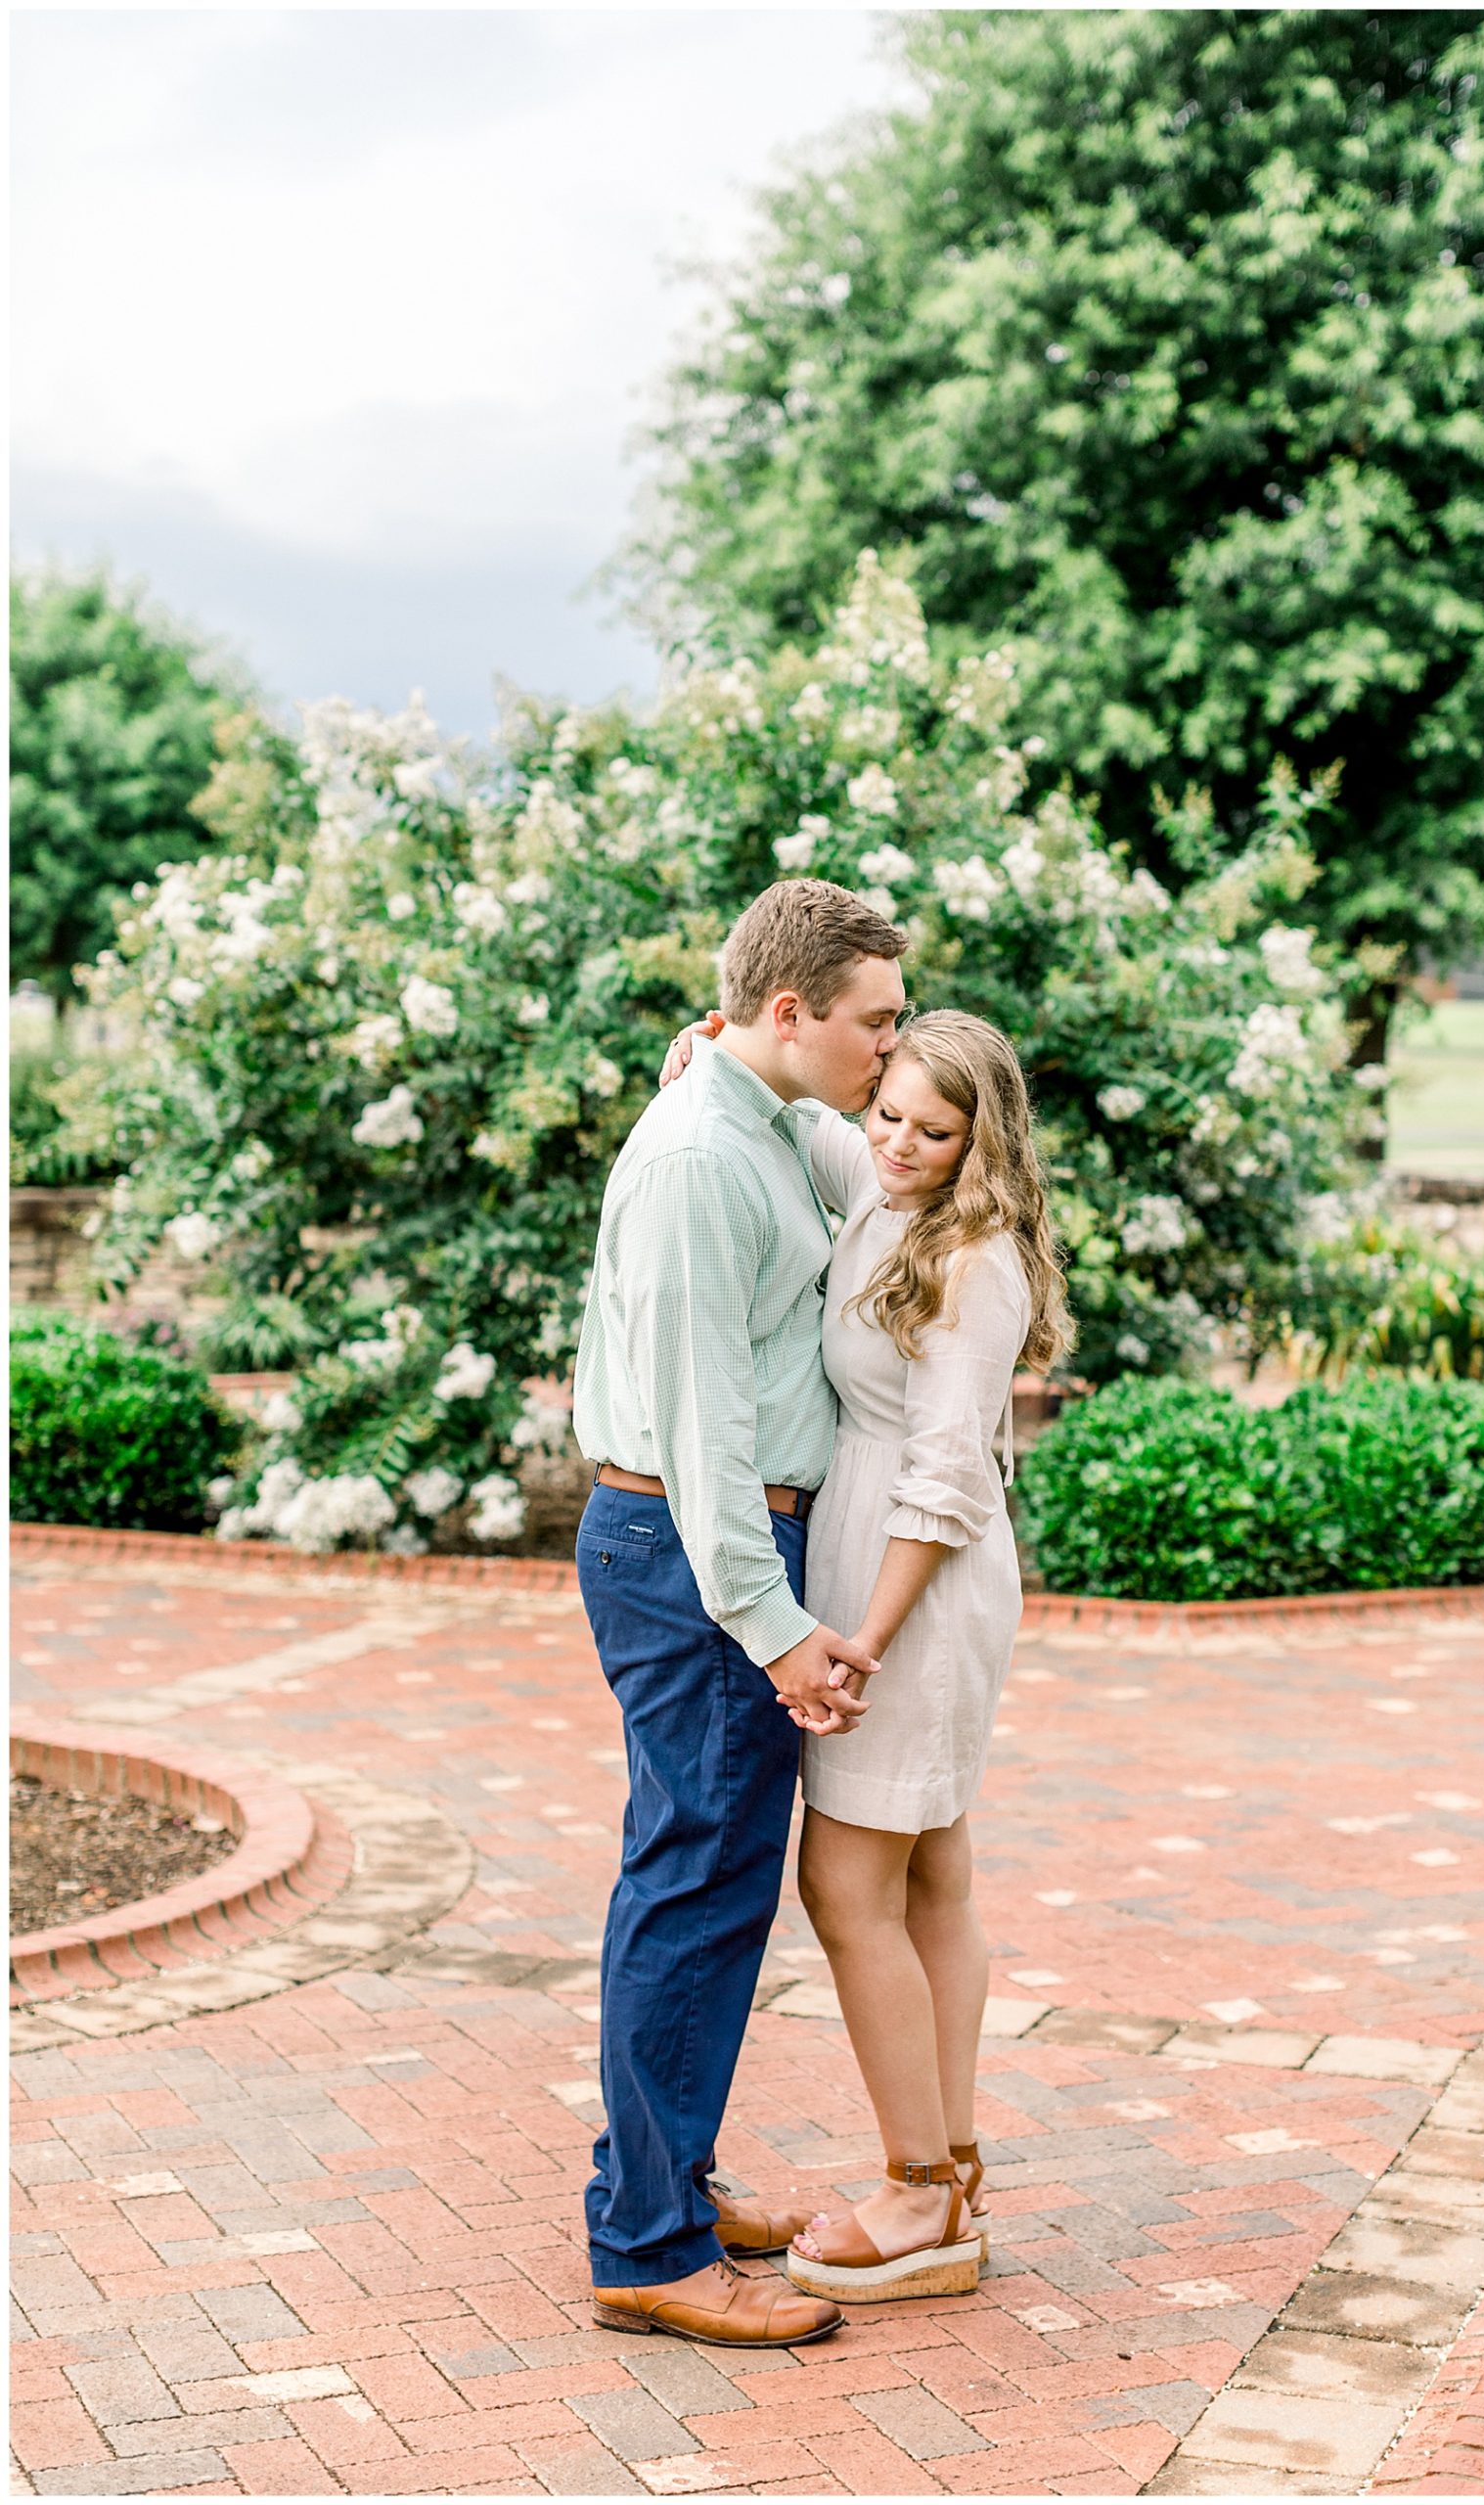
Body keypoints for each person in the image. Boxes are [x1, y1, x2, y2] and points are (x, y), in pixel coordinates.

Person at [660, 1004, 1070, 2303]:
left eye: (930, 1130)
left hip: (912, 1587)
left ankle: (911, 2195)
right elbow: (811, 1123)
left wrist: (863, 1648)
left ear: (979, 1142)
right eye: (888, 1109)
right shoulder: (883, 1187)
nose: (896, 1140)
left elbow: (948, 1477)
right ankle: (946, 2171)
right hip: (871, 1567)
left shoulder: (974, 1256)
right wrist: (710, 1049)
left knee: (848, 1889)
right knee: (932, 1875)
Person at [571, 880, 908, 2350]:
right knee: (692, 1894)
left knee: (704, 1891)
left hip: (703, 1549)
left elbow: (891, 1168)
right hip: (693, 1549)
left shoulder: (763, 1119)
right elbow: (704, 1434)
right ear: (790, 1013)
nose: (888, 1059)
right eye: (873, 1027)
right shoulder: (704, 1159)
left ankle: (669, 2192)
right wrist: (772, 1627)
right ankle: (646, 2245)